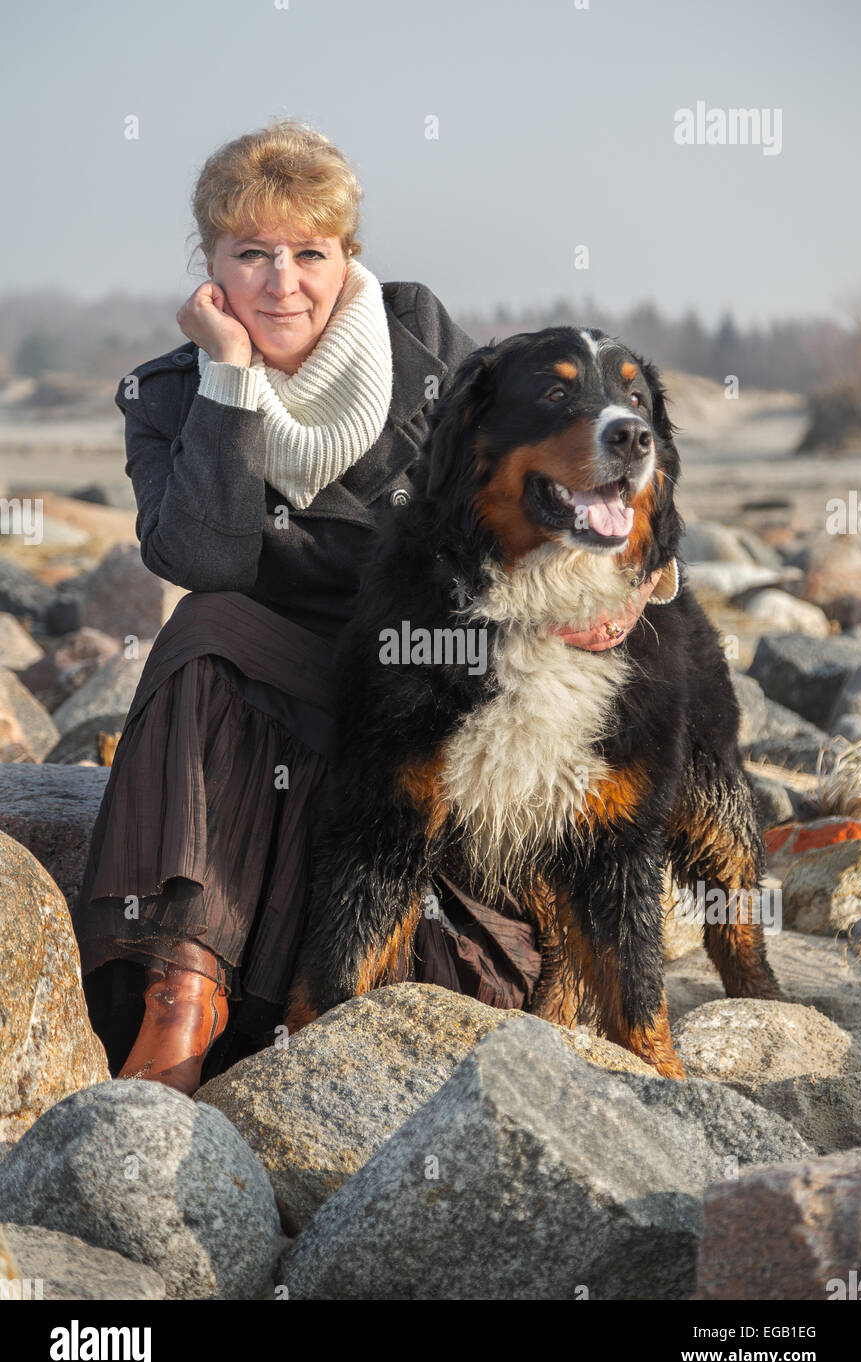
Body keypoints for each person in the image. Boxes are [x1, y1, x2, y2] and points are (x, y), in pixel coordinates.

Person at [72, 118, 541, 1097]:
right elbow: (205, 554)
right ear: (210, 269)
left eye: (308, 253)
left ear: (346, 258)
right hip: (275, 680)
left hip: (418, 675)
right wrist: (229, 380)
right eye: (252, 254)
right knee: (202, 628)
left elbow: (519, 513)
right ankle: (181, 999)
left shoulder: (429, 348)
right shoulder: (168, 396)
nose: (281, 281)